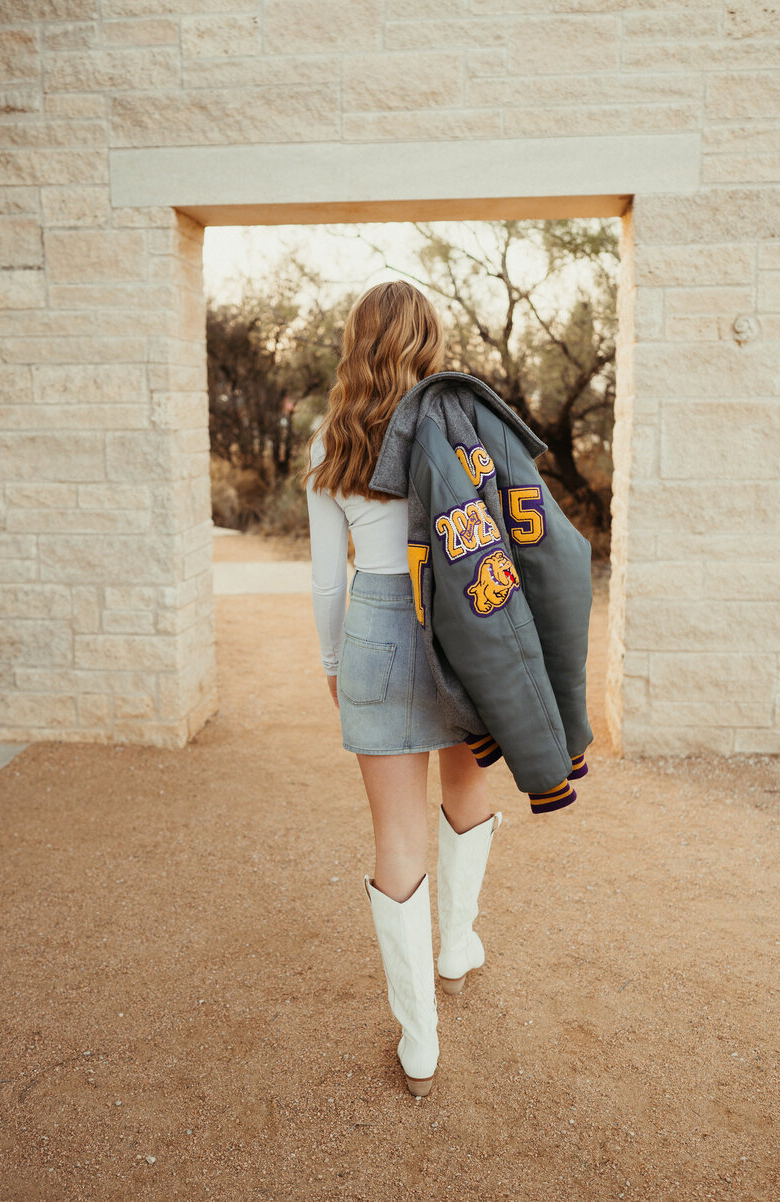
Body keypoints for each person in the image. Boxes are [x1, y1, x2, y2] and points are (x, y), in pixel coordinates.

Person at [301, 281, 504, 1097]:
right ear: (430, 341)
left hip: (377, 628)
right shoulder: (465, 419)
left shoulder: (334, 439)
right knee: (467, 792)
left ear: (356, 342)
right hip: (465, 623)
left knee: (397, 836)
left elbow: (325, 581)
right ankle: (457, 946)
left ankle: (419, 1043)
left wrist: (330, 663)